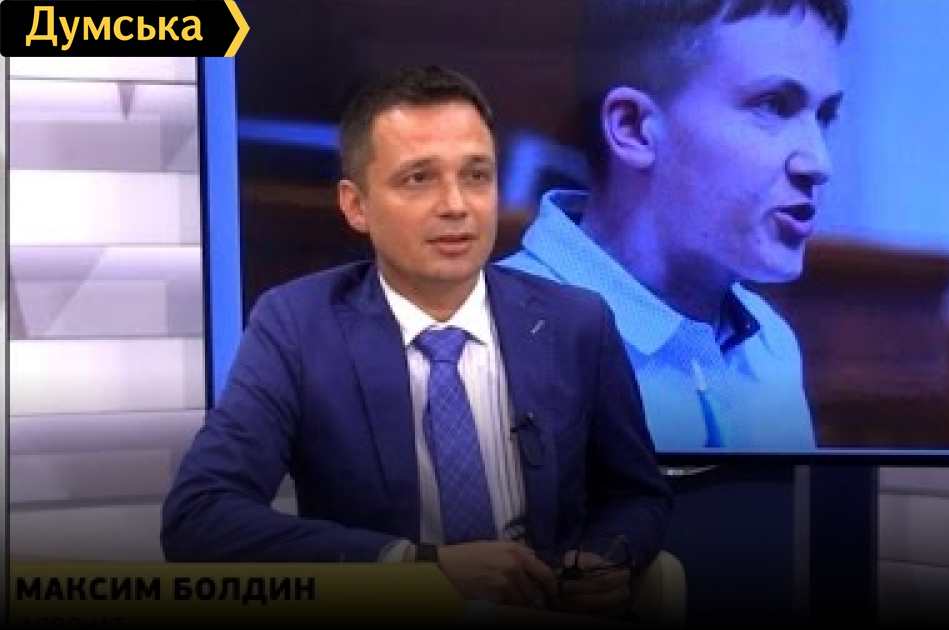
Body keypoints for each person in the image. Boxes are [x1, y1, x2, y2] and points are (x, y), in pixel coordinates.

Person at [161, 65, 672, 617]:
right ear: (356, 205)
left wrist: (604, 560)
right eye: (418, 179)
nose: (456, 205)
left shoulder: (577, 322)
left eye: (477, 175)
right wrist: (417, 568)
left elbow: (634, 494)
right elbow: (201, 516)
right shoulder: (297, 325)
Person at [501, 0, 848, 453]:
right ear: (633, 128)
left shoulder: (770, 345)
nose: (819, 163)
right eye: (773, 105)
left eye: (824, 117)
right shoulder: (496, 346)